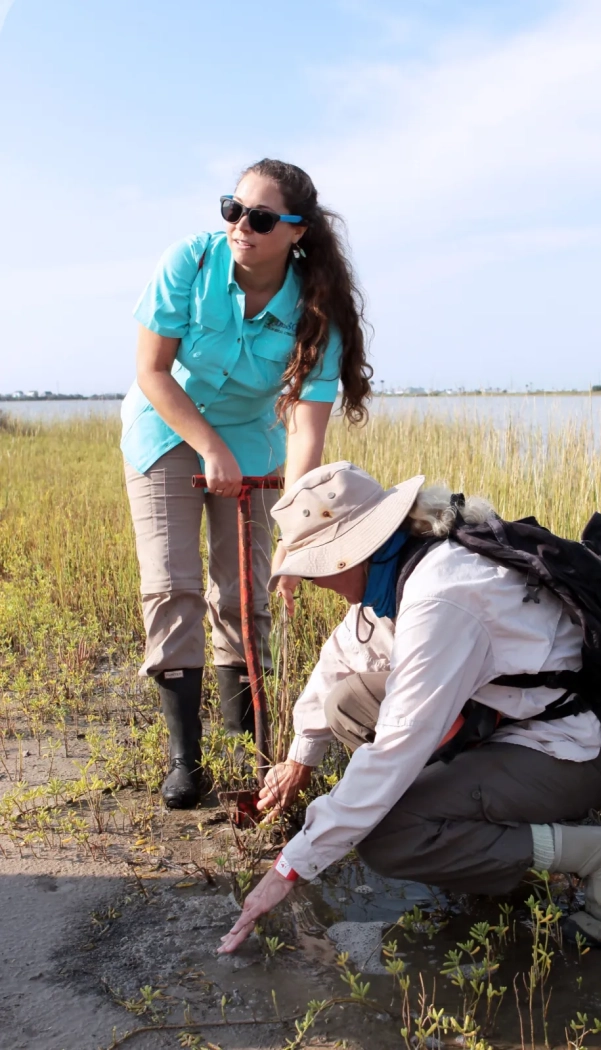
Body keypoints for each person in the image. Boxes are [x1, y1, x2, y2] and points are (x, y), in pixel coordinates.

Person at [218, 461, 601, 955]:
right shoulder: (408, 564)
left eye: (315, 569)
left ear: (349, 556)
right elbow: (339, 662)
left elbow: (396, 749)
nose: (314, 583)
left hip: (575, 753)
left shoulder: (440, 599)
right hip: (512, 723)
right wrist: (300, 758)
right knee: (348, 704)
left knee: (389, 836)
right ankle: (489, 856)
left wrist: (290, 866)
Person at [121, 162, 371, 809]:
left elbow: (306, 435)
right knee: (172, 586)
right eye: (233, 209)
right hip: (166, 428)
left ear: (297, 232)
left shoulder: (317, 311)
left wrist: (299, 534)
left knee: (246, 593)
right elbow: (151, 371)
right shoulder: (190, 262)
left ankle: (245, 744)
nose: (241, 227)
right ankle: (187, 761)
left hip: (252, 445)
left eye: (260, 219)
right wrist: (208, 446)